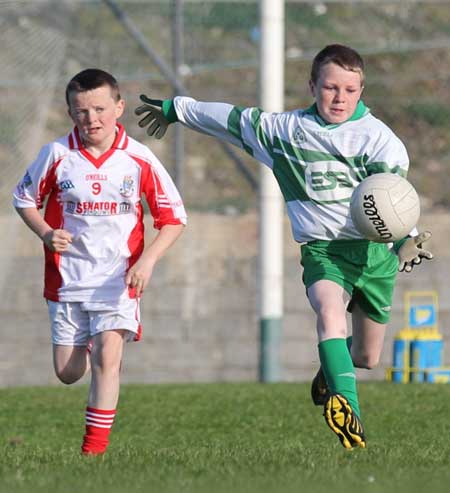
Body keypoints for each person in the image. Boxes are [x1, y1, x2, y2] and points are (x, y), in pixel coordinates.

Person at [134, 44, 433, 450]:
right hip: (323, 251)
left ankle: (333, 368)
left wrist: (406, 237)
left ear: (362, 89)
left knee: (367, 357)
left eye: (349, 89)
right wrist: (175, 108)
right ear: (312, 85)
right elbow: (228, 118)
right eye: (330, 87)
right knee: (329, 313)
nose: (339, 98)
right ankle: (349, 415)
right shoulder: (286, 130)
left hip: (373, 255)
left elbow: (390, 202)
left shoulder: (380, 141)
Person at [13, 68, 186, 455]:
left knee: (108, 355)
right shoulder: (57, 155)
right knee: (68, 372)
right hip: (67, 278)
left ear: (119, 107)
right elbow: (24, 199)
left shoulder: (139, 159)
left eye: (100, 109)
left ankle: (93, 453)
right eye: (82, 111)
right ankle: (94, 347)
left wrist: (148, 262)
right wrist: (45, 232)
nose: (92, 119)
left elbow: (174, 219)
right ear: (70, 112)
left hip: (119, 279)